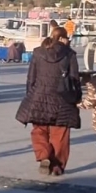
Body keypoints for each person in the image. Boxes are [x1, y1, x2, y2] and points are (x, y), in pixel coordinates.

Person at [16, 27, 81, 176]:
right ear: (63, 38)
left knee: (39, 130)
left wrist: (30, 96)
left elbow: (31, 78)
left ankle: (44, 155)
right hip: (62, 99)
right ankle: (57, 166)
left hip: (40, 97)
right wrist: (76, 98)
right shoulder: (69, 54)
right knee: (60, 134)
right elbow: (75, 79)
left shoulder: (38, 52)